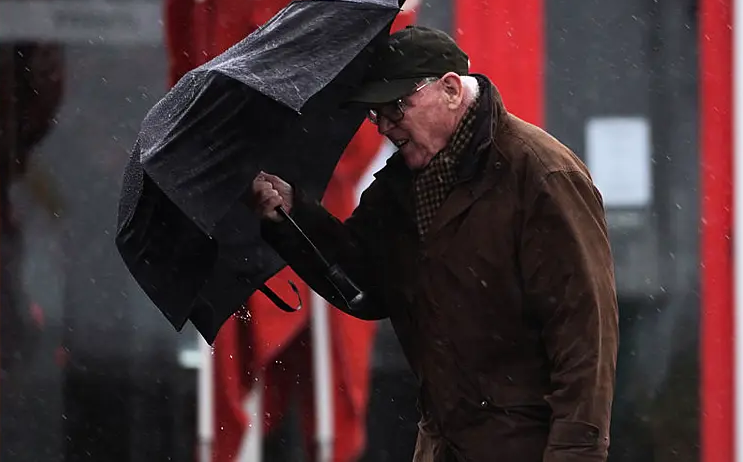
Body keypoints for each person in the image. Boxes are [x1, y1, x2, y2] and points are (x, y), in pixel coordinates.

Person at [250, 26, 619, 462]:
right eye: (376, 114)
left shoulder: (541, 175)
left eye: (397, 107)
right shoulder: (398, 187)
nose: (387, 127)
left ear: (449, 89)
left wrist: (573, 455)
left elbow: (585, 335)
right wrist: (292, 217)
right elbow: (365, 287)